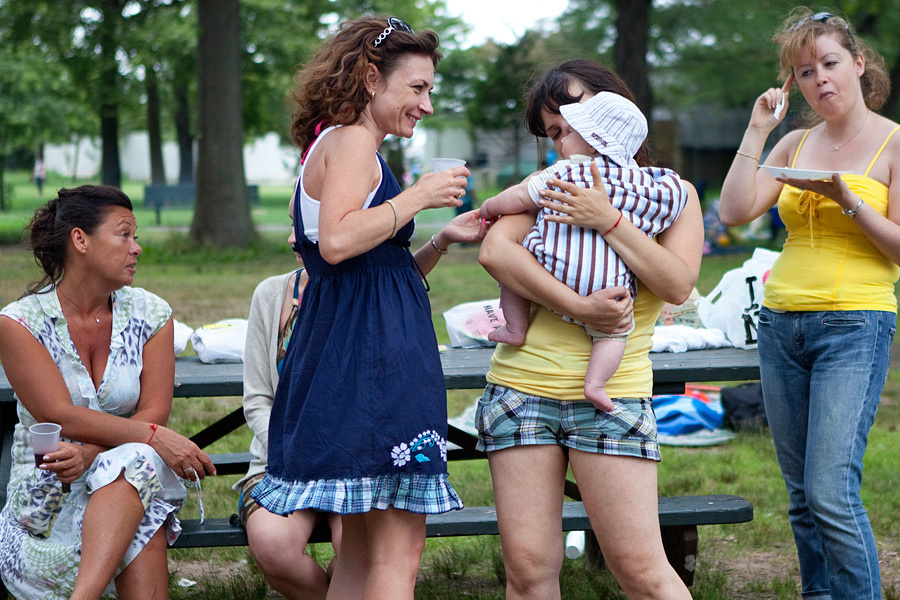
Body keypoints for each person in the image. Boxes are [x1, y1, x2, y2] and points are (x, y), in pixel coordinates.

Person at [249, 16, 487, 599]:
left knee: (358, 559)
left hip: (348, 356)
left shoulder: (338, 142)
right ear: (370, 77)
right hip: (374, 369)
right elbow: (336, 241)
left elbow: (367, 272)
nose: (427, 105)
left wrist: (437, 240)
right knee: (393, 558)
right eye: (418, 88)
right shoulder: (353, 141)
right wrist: (418, 198)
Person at [477, 58, 703, 600]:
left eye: (571, 117)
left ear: (612, 104)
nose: (564, 138)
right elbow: (496, 250)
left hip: (613, 395)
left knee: (642, 572)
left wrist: (607, 219)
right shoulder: (555, 184)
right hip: (522, 388)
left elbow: (676, 284)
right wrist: (582, 307)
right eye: (554, 132)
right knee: (528, 573)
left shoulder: (671, 194)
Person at [718, 9, 899, 600]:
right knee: (800, 495)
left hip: (856, 323)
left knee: (830, 491)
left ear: (859, 63)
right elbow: (734, 212)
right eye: (803, 71)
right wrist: (756, 131)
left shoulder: (894, 143)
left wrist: (849, 199)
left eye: (829, 63)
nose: (819, 79)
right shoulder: (796, 142)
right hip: (780, 324)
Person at [0, 185, 215, 600]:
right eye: (124, 235)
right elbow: (60, 415)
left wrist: (95, 452)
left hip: (132, 482)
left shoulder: (151, 314)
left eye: (135, 237)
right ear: (80, 240)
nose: (136, 248)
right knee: (142, 488)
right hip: (48, 500)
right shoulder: (19, 323)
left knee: (135, 468)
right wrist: (154, 436)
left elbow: (154, 410)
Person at [477, 92, 688, 411]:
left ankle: (514, 327)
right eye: (555, 133)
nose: (561, 143)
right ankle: (596, 384)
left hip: (554, 267)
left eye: (570, 131)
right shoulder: (648, 186)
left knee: (513, 278)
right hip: (609, 288)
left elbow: (519, 198)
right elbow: (674, 202)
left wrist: (487, 207)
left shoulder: (564, 173)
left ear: (593, 140)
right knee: (614, 335)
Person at [235, 195, 341, 599]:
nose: (293, 239)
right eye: (294, 225)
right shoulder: (271, 294)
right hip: (279, 463)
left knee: (362, 548)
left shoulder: (366, 296)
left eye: (307, 228)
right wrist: (289, 449)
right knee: (275, 547)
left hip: (351, 465)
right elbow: (257, 398)